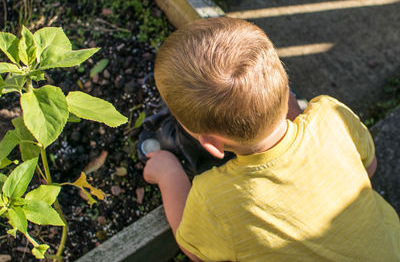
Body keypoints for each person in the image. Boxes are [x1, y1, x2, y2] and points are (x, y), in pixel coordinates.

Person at [143, 17, 400, 261]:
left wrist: (170, 176)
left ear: (212, 145)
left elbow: (196, 253)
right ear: (285, 84)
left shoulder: (215, 198)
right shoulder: (330, 115)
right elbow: (369, 167)